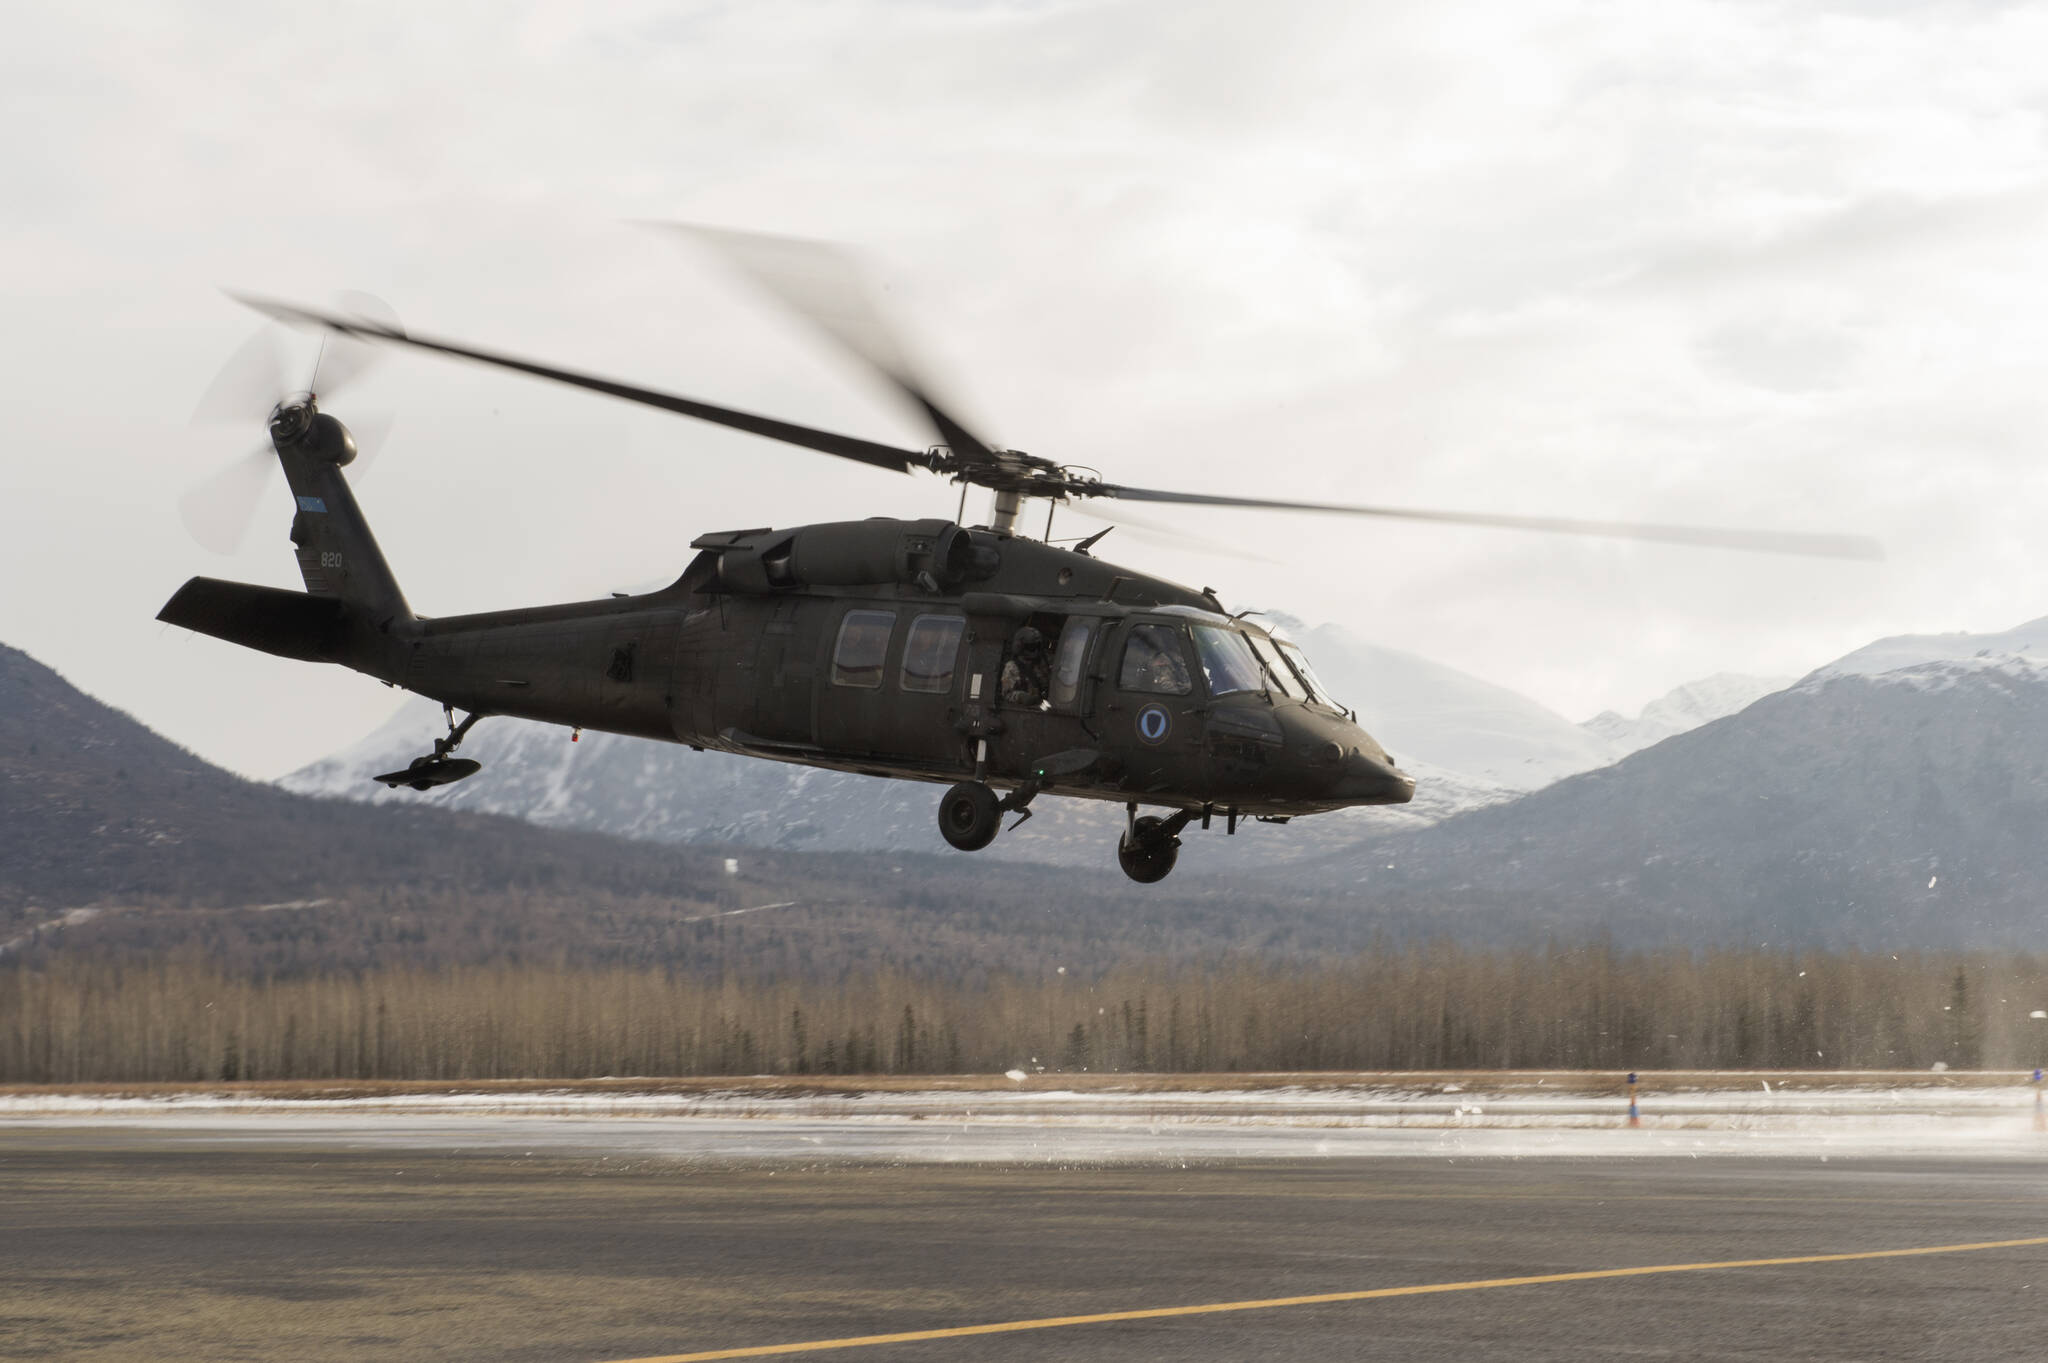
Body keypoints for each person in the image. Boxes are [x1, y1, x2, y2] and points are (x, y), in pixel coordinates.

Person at [1001, 626, 1050, 705]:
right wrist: (1021, 696)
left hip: (1041, 706)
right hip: (1023, 709)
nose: (1035, 650)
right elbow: (1006, 694)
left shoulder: (1041, 664)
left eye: (1037, 646)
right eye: (1031, 647)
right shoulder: (1012, 667)